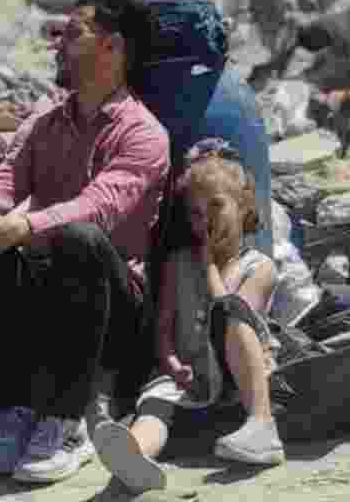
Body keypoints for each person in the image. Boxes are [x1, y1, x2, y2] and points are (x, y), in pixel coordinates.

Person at [0, 0, 169, 484]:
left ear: (113, 47)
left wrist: (14, 227)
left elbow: (98, 208)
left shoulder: (144, 135)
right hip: (48, 291)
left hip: (113, 313)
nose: (59, 43)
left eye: (73, 32)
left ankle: (67, 420)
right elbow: (4, 184)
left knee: (78, 238)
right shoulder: (46, 121)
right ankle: (9, 409)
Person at [93, 138, 284, 493]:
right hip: (190, 372)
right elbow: (164, 325)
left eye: (216, 206)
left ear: (243, 206)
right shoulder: (177, 263)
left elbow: (229, 311)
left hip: (238, 373)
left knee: (231, 311)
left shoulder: (259, 268)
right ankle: (133, 456)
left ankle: (262, 425)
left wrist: (209, 264)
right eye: (196, 213)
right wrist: (169, 362)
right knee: (155, 404)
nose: (205, 220)